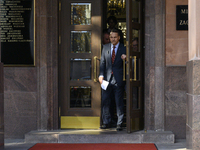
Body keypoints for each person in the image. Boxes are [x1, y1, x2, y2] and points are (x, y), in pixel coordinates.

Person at [99, 28, 126, 131]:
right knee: (105, 100)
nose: (113, 39)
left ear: (119, 38)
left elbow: (130, 64)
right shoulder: (105, 47)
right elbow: (102, 62)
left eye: (115, 37)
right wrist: (101, 75)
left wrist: (126, 59)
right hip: (106, 79)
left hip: (118, 79)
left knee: (118, 102)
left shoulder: (124, 48)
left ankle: (119, 123)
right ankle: (106, 122)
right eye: (111, 37)